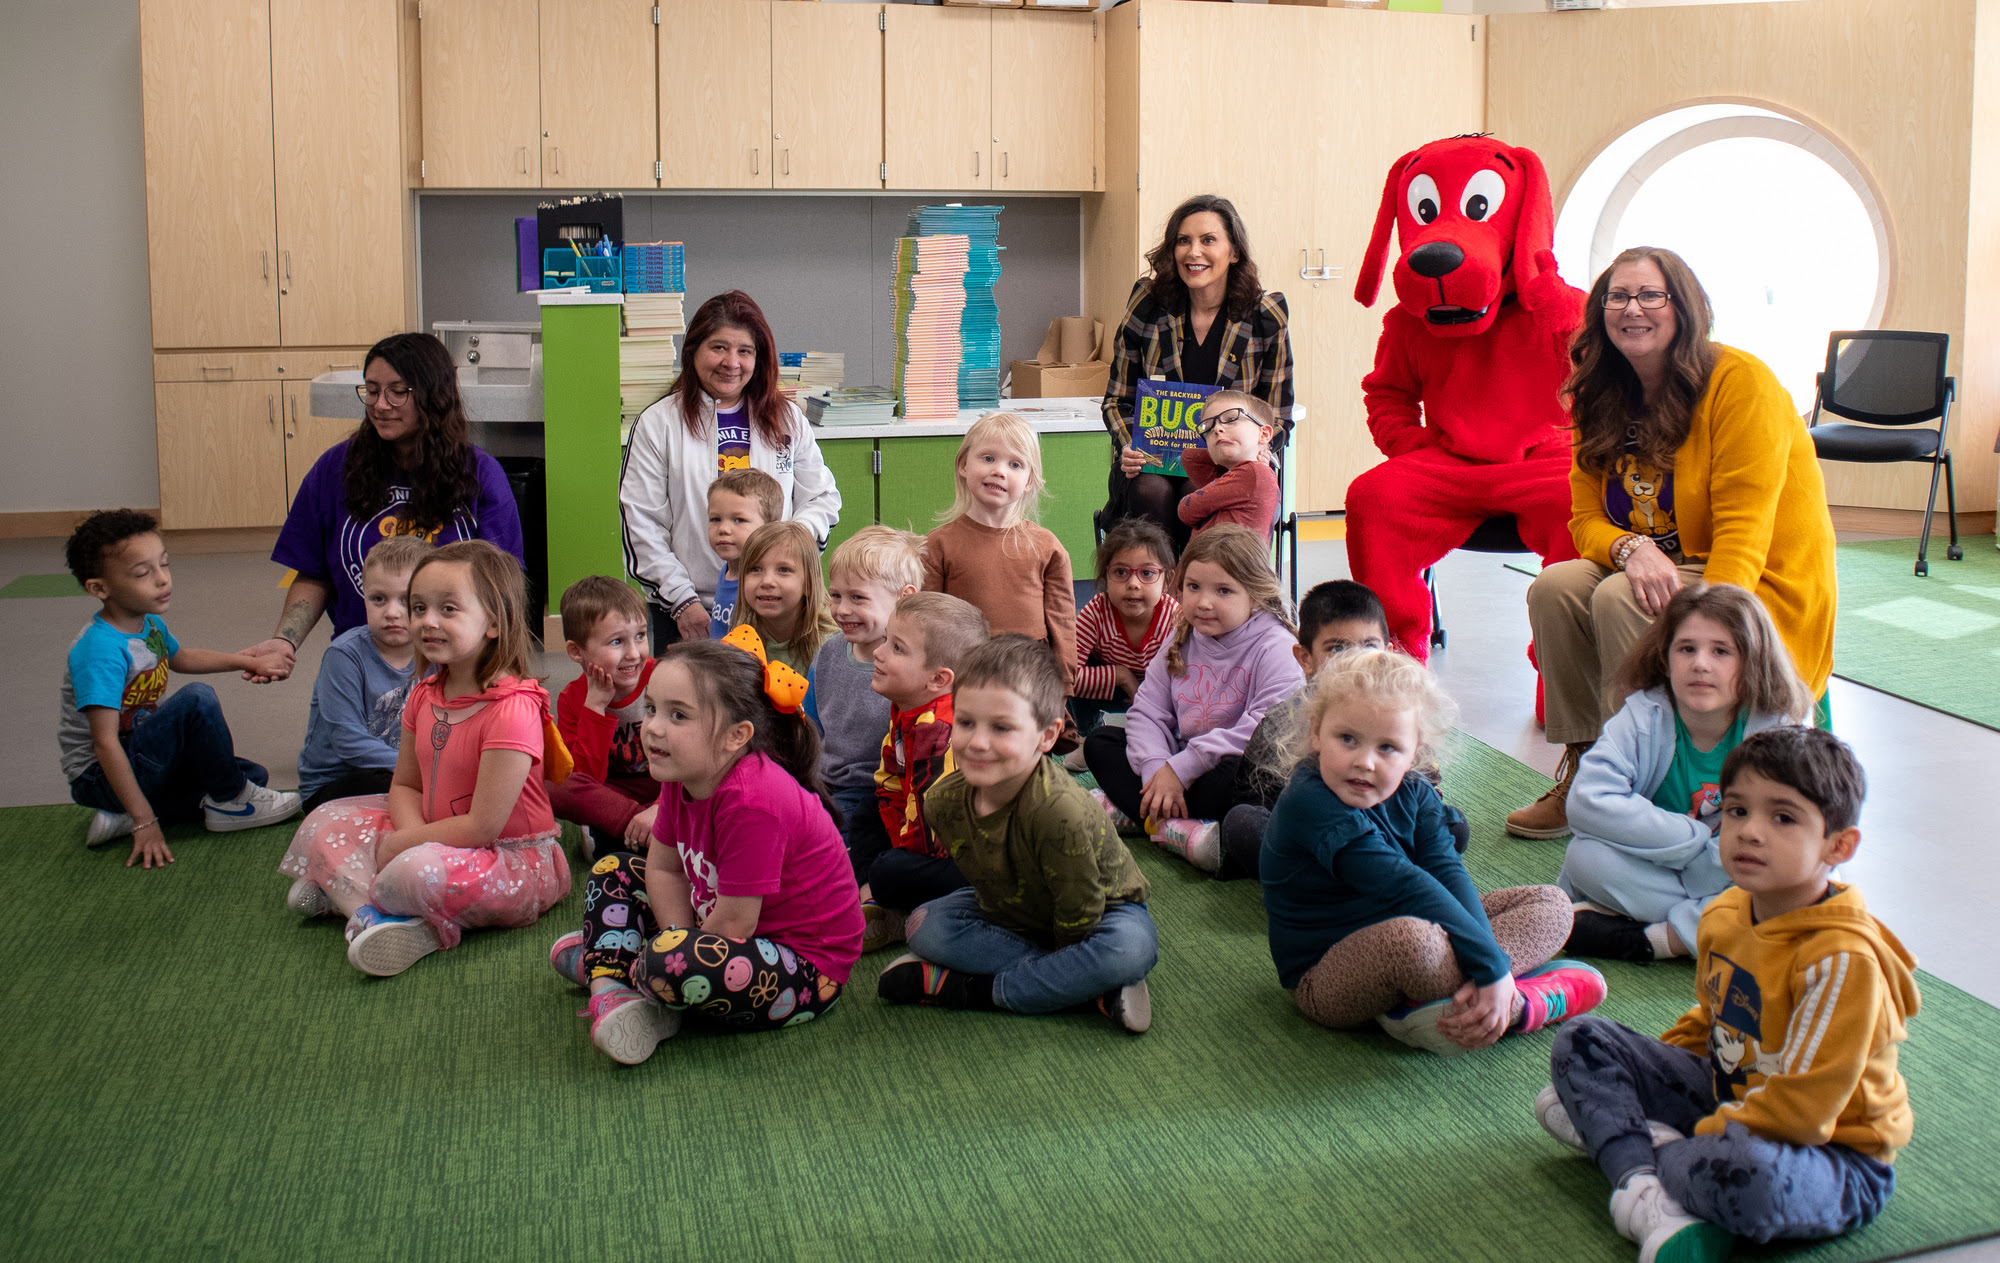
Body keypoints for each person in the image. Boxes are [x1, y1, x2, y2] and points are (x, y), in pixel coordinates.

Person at [1539, 728, 1916, 1259]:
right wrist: (1647, 1079)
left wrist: (1698, 1136)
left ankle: (1634, 1151)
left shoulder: (1841, 959)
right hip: (1734, 1100)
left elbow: (1802, 1111)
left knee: (1748, 1179)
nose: (1750, 832)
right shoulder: (1725, 913)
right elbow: (1709, 1022)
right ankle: (1646, 1183)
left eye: (1783, 818)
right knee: (1584, 1040)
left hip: (1832, 1156)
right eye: (1737, 811)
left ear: (1839, 845)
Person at [1511, 247, 1837, 840]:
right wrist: (1633, 551)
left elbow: (1745, 529)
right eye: (1617, 297)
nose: (1632, 309)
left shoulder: (1741, 384)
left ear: (1683, 307)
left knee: (1616, 598)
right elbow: (1586, 520)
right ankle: (1589, 770)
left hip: (1752, 577)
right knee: (1556, 586)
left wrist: (1717, 622)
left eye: (1649, 296)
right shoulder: (1601, 391)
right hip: (1660, 564)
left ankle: (1645, 780)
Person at [1261, 648, 1607, 1055]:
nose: (1365, 762)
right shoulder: (1309, 799)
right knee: (1414, 943)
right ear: (1317, 732)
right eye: (1348, 739)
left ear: (1414, 751)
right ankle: (1522, 1004)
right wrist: (1492, 967)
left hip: (1429, 936)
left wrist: (1490, 962)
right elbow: (1402, 884)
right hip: (1326, 975)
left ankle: (1441, 1005)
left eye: (1388, 747)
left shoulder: (1417, 793)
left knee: (1553, 904)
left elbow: (1447, 872)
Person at [548, 629, 864, 1066]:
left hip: (806, 970)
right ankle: (612, 988)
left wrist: (671, 950)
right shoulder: (682, 775)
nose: (653, 727)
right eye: (653, 709)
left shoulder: (754, 801)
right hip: (722, 926)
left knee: (666, 960)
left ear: (736, 736)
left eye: (679, 716)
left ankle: (624, 964)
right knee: (613, 870)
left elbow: (735, 923)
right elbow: (664, 870)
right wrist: (676, 938)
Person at [278, 540, 570, 978]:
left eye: (448, 609)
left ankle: (359, 898)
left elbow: (482, 826)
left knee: (412, 872)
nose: (426, 621)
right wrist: (410, 834)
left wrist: (405, 846)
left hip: (508, 859)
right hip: (431, 833)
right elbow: (406, 785)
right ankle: (372, 915)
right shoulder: (424, 692)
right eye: (420, 608)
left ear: (493, 622)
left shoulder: (513, 709)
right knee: (323, 820)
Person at [877, 636, 1159, 1034]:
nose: (977, 742)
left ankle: (969, 990)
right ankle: (1090, 988)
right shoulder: (941, 802)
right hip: (1012, 911)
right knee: (925, 925)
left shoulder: (1058, 810)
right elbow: (982, 884)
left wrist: (1069, 954)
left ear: (1047, 736)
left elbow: (1081, 912)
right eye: (966, 722)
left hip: (1101, 914)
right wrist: (1064, 968)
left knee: (1128, 950)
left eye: (1002, 727)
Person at [1562, 583, 1813, 964]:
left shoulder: (1779, 731)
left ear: (1754, 661)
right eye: (1687, 648)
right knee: (1584, 856)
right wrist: (1695, 840)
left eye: (1722, 651)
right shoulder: (1645, 715)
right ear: (1665, 659)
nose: (1701, 664)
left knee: (1790, 891)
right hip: (1674, 868)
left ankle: (1656, 940)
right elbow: (1586, 803)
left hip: (1741, 874)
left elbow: (1786, 841)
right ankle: (1718, 931)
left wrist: (1705, 867)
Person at [254, 332, 525, 674]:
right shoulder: (335, 468)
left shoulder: (481, 474)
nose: (381, 405)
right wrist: (284, 641)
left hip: (454, 667)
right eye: (371, 390)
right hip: (361, 663)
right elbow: (314, 572)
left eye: (398, 392)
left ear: (433, 397)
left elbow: (503, 589)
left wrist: (501, 674)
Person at [60, 510, 299, 864]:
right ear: (99, 588)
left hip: (138, 755)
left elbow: (181, 657)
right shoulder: (100, 650)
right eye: (143, 573)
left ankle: (122, 815)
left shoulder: (148, 623)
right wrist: (145, 824)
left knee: (251, 774)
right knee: (196, 702)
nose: (162, 580)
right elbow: (104, 742)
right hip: (98, 775)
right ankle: (228, 805)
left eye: (164, 565)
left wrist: (247, 660)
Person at [619, 290, 840, 648]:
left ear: (759, 357)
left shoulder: (787, 419)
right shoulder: (658, 423)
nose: (731, 362)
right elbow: (640, 522)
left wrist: (783, 552)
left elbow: (822, 499)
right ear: (693, 352)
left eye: (745, 351)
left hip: (775, 608)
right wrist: (683, 603)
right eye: (718, 347)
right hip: (691, 614)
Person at [1082, 524, 1303, 873]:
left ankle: (1136, 809)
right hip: (1179, 765)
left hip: (1227, 768)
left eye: (1224, 591)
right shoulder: (1180, 636)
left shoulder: (1276, 646)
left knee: (1247, 781)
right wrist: (1157, 767)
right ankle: (1176, 827)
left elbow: (1264, 728)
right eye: (1193, 587)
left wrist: (1182, 768)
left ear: (1256, 595)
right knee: (1101, 742)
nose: (1203, 602)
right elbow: (1147, 711)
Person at [1222, 579, 1477, 877]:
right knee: (1239, 823)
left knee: (1455, 826)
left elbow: (1424, 791)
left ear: (1388, 652)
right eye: (1338, 648)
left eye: (1369, 646)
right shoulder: (1283, 719)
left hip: (1382, 826)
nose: (1355, 659)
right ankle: (1367, 872)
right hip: (1308, 839)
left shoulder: (1400, 714)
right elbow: (1253, 804)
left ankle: (1361, 871)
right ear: (1305, 658)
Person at [1102, 194, 1294, 548]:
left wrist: (1263, 448)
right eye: (1183, 240)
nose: (1193, 252)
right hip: (1150, 464)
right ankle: (1160, 597)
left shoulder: (1266, 316)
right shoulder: (1147, 304)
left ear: (1233, 251)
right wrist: (1130, 443)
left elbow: (1278, 413)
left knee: (1202, 487)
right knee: (1151, 489)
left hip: (1230, 464)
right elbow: (1117, 400)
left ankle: (1203, 591)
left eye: (1208, 240)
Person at [861, 592, 991, 952]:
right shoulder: (909, 707)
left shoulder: (942, 730)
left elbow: (930, 829)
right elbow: (889, 782)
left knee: (888, 871)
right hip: (927, 835)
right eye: (886, 638)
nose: (878, 651)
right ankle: (871, 897)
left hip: (967, 855)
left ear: (938, 679)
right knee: (863, 815)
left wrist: (888, 862)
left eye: (897, 648)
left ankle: (892, 907)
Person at [920, 412, 1077, 690]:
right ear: (963, 465)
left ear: (1029, 480)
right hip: (965, 676)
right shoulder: (938, 544)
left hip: (1029, 678)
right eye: (988, 458)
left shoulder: (1047, 546)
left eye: (1015, 464)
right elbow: (927, 622)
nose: (999, 471)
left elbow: (1062, 621)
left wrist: (1063, 684)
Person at [808, 525, 924, 880]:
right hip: (826, 783)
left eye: (858, 598)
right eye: (836, 595)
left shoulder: (913, 665)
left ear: (903, 599)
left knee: (838, 851)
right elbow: (809, 721)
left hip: (880, 790)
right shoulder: (828, 653)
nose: (842, 609)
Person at [297, 536, 430, 814]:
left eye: (405, 600)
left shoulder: (435, 652)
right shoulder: (344, 656)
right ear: (364, 596)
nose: (391, 612)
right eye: (379, 599)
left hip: (405, 770)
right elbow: (349, 742)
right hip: (335, 783)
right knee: (407, 788)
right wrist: (425, 768)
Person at [547, 575, 657, 858]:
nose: (634, 653)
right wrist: (595, 707)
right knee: (555, 787)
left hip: (666, 790)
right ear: (576, 651)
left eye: (641, 636)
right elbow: (583, 778)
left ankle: (639, 833)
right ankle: (648, 832)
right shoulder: (573, 698)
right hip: (614, 797)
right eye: (617, 641)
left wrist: (662, 807)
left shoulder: (662, 677)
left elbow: (688, 755)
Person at [1068, 517, 1180, 745]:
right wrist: (1122, 676)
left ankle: (1168, 739)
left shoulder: (1174, 617)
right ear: (1105, 577)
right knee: (1068, 670)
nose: (1133, 584)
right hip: (1113, 688)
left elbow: (1190, 677)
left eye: (1147, 573)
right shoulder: (1097, 611)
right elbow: (1068, 674)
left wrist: (1152, 696)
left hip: (1160, 694)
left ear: (1166, 580)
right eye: (1120, 572)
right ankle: (1088, 735)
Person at [729, 520, 838, 677]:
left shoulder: (830, 643)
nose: (767, 581)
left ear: (809, 583)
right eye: (755, 569)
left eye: (783, 570)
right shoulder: (743, 633)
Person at [1176, 390, 1280, 544]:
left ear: (1264, 434)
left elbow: (1185, 510)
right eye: (1208, 427)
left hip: (1225, 565)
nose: (1217, 429)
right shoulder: (1240, 476)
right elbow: (1189, 457)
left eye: (1231, 419)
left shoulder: (1253, 473)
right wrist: (1221, 453)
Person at [705, 467, 781, 639]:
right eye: (715, 519)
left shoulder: (765, 586)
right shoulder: (728, 570)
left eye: (739, 520)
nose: (723, 529)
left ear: (770, 526)